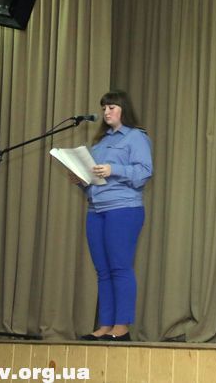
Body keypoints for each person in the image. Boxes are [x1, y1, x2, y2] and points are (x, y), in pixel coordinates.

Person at [72, 90, 153, 341]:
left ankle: (122, 326)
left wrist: (113, 169)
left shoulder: (136, 137)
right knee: (103, 270)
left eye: (112, 107)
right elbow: (95, 180)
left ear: (123, 109)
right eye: (104, 108)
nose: (106, 112)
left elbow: (144, 172)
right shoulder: (100, 143)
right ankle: (105, 325)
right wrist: (81, 179)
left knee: (119, 267)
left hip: (123, 209)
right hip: (96, 210)